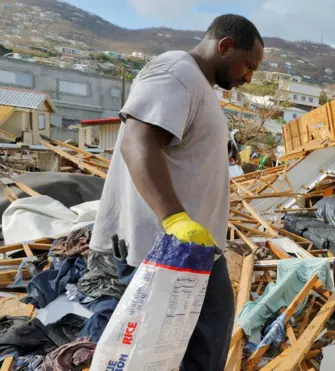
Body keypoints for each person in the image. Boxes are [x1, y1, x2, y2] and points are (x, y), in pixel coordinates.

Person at [88, 14, 264, 370]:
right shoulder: (175, 73)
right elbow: (138, 145)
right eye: (248, 65)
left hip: (193, 252)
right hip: (162, 251)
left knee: (196, 349)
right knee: (158, 355)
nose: (249, 77)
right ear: (225, 46)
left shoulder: (197, 85)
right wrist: (175, 220)